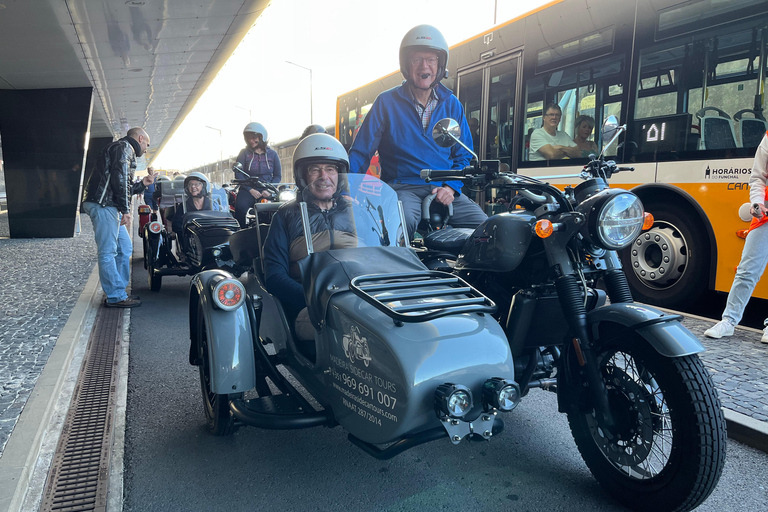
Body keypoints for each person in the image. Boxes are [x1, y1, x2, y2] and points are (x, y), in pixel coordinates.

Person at [348, 24, 487, 238]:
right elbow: (361, 151)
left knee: (488, 229)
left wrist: (450, 187)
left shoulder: (452, 104)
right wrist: (347, 189)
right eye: (417, 59)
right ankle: (400, 269)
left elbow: (464, 156)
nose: (425, 66)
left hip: (443, 186)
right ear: (407, 64)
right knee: (399, 227)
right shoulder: (386, 102)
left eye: (431, 60)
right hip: (403, 187)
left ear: (440, 65)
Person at [263, 133, 356, 339]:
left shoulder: (357, 213)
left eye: (331, 169)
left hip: (361, 299)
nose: (324, 176)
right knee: (354, 332)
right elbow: (275, 278)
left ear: (340, 175)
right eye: (315, 169)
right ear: (303, 176)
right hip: (313, 308)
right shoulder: (285, 216)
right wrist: (317, 300)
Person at [704, 132, 768, 343]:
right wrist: (757, 202)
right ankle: (728, 321)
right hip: (765, 216)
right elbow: (758, 177)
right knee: (747, 270)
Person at [82, 127, 155, 308]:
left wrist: (143, 184)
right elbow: (120, 180)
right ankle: (116, 296)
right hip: (103, 204)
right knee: (108, 251)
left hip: (108, 204)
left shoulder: (121, 148)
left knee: (124, 247)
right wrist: (126, 210)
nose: (146, 148)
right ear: (140, 138)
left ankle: (119, 291)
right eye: (147, 144)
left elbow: (124, 184)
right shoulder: (124, 148)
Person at [234, 122, 282, 227]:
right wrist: (250, 190)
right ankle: (240, 232)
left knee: (281, 208)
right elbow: (238, 174)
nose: (251, 141)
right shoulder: (244, 153)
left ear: (262, 137)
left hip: (267, 189)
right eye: (249, 138)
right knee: (240, 207)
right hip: (248, 189)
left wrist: (269, 189)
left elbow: (277, 175)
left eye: (254, 138)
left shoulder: (273, 154)